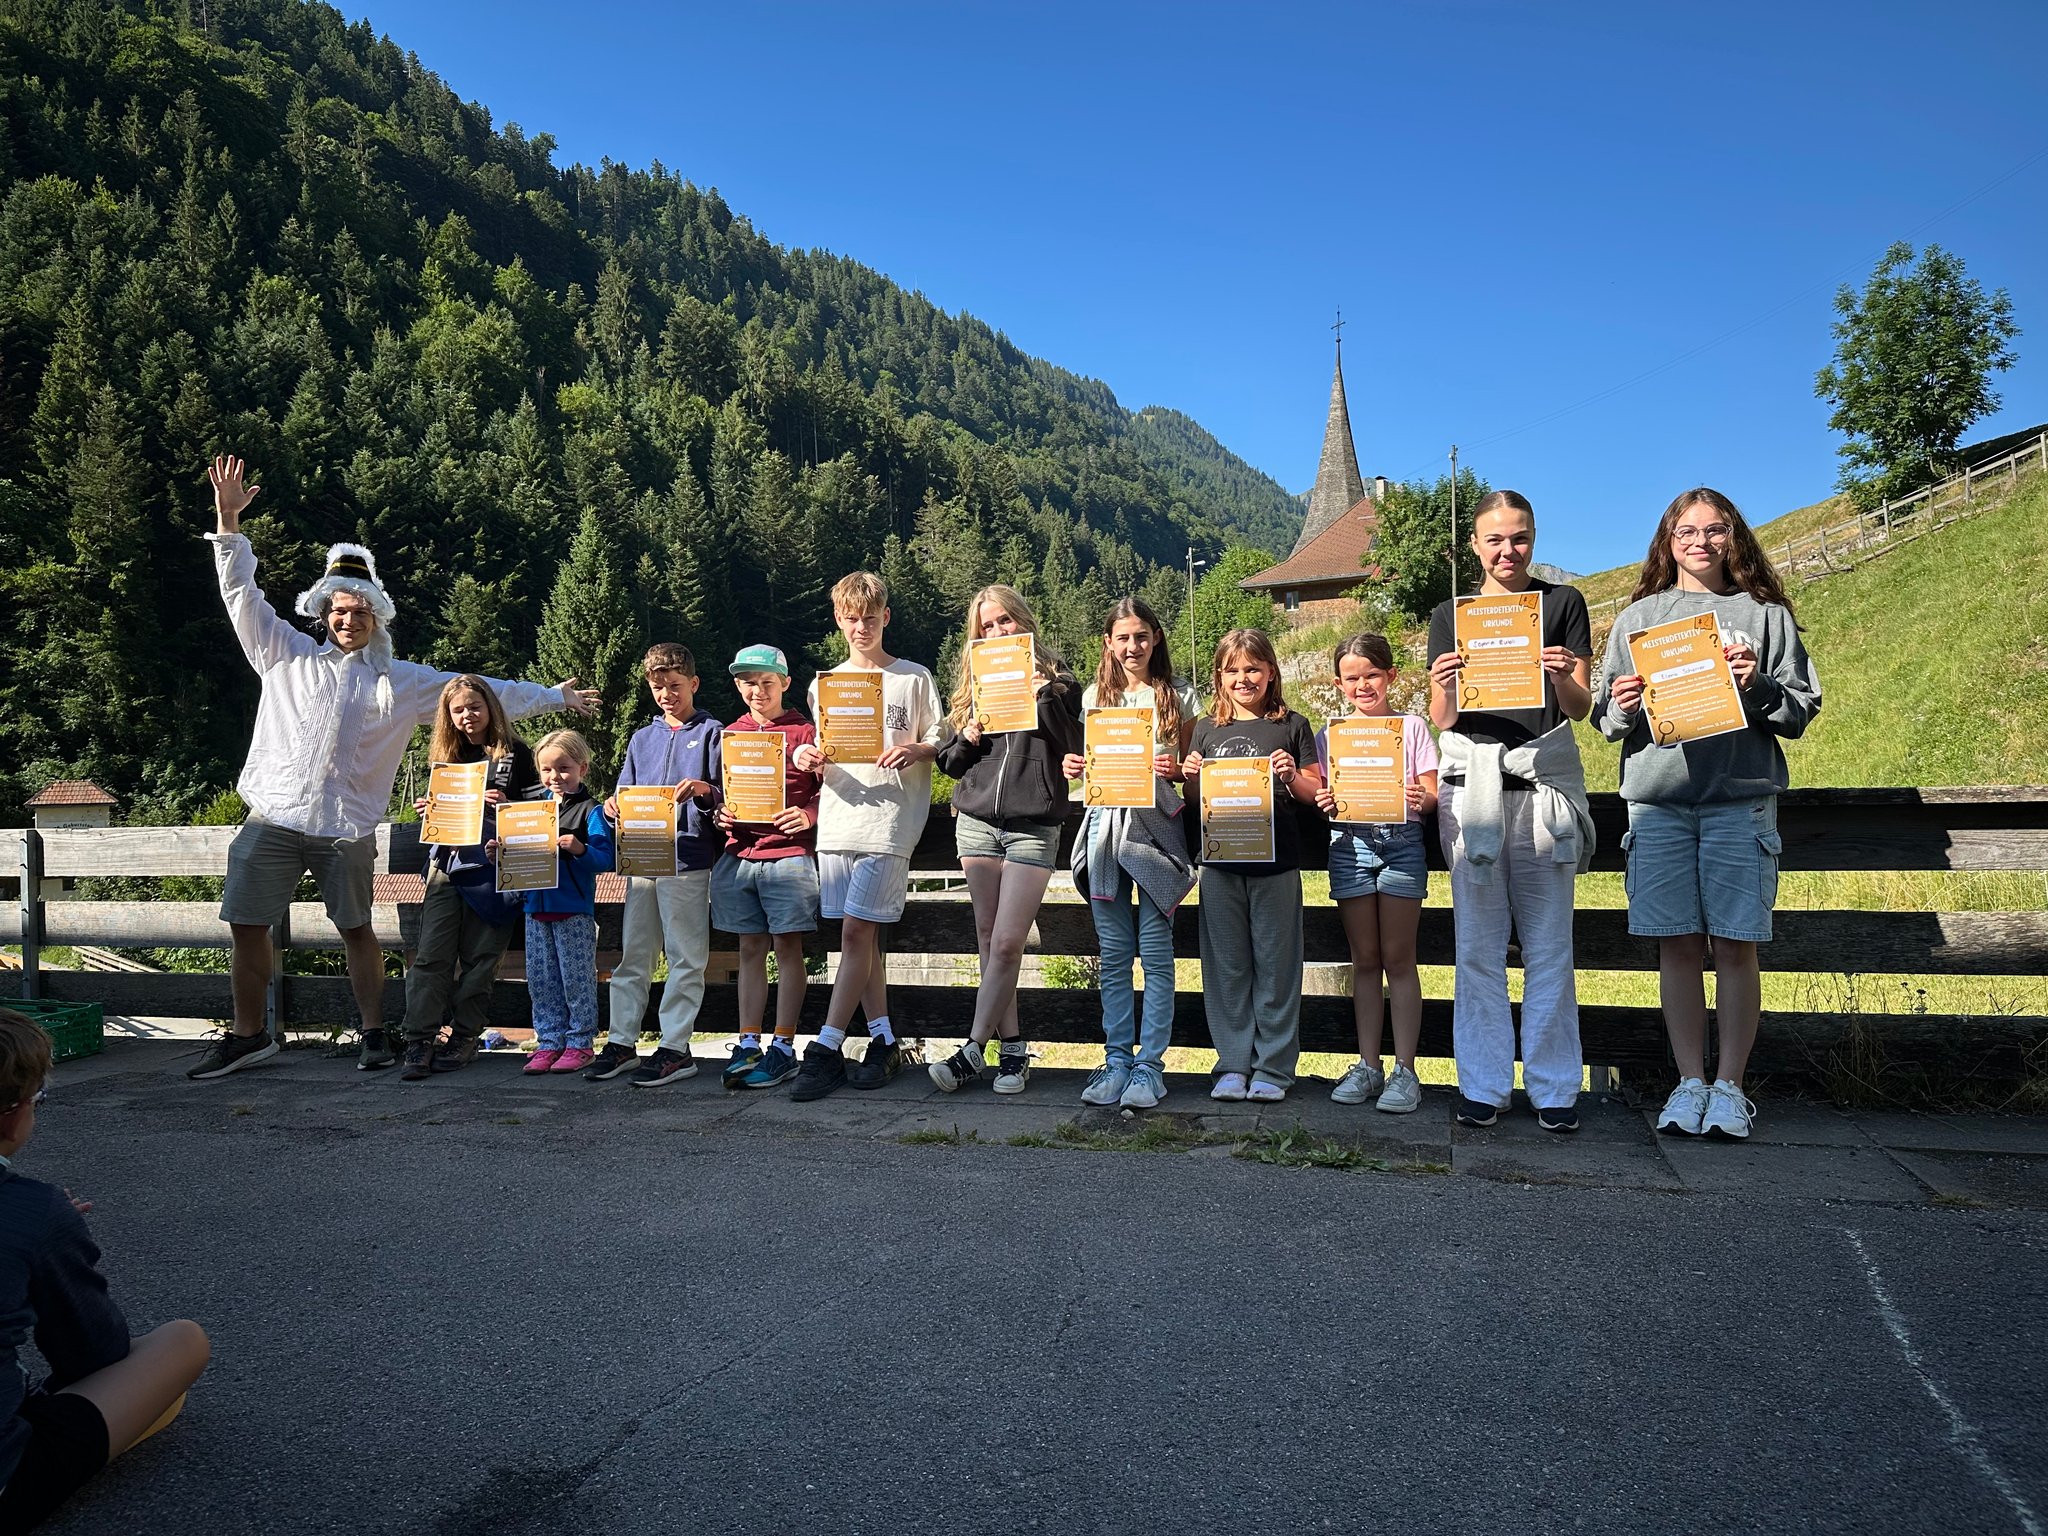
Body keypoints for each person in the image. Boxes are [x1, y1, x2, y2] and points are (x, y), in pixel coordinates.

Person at [191, 455, 596, 1082]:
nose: (347, 620)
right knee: (247, 925)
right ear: (322, 613)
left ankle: (374, 1034)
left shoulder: (399, 681)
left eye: (359, 611)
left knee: (356, 928)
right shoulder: (283, 653)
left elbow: (478, 691)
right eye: (338, 610)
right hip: (272, 816)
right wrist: (229, 524)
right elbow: (241, 595)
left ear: (376, 618)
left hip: (346, 829)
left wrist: (552, 697)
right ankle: (249, 1036)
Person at [1594, 488, 1820, 1141]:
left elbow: (1801, 710)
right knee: (1678, 945)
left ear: (1733, 538)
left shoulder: (1765, 616)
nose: (1701, 541)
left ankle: (1730, 1088)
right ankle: (1689, 1081)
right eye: (1687, 531)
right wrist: (1624, 703)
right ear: (1668, 542)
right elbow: (1604, 721)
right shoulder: (1638, 619)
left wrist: (1760, 685)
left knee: (1736, 946)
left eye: (1714, 529)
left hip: (1739, 801)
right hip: (1659, 804)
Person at [0, 1009, 210, 1532]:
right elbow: (93, 1352)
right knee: (182, 1341)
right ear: (12, 1115)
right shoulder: (33, 1212)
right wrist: (52, 1233)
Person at [1426, 489, 1595, 1133]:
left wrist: (1560, 675)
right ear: (1474, 545)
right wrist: (1442, 686)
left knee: (1550, 947)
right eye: (1494, 539)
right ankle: (1484, 1084)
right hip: (1471, 792)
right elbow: (1444, 720)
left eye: (1518, 537)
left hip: (1541, 788)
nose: (1507, 550)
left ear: (1534, 538)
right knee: (1477, 946)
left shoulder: (1564, 604)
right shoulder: (1451, 614)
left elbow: (1579, 708)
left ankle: (1554, 1088)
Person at [787, 572, 945, 1101]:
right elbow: (821, 746)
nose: (861, 627)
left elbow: (939, 737)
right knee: (860, 939)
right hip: (838, 819)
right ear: (839, 620)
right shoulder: (824, 683)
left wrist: (916, 750)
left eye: (870, 617)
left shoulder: (913, 677)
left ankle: (826, 1046)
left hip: (889, 821)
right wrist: (805, 755)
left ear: (886, 617)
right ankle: (884, 1040)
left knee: (856, 934)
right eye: (852, 618)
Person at [926, 586, 1084, 1097]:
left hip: (1033, 825)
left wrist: (1044, 696)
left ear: (1023, 621)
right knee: (988, 938)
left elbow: (1075, 745)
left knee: (1010, 941)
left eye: (1004, 621)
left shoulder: (1061, 683)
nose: (997, 631)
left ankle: (972, 1048)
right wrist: (966, 736)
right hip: (976, 822)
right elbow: (951, 766)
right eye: (987, 625)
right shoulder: (973, 684)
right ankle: (1012, 1049)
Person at [1056, 597, 1199, 1110]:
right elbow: (1091, 762)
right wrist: (1074, 766)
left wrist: (1175, 768)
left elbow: (1189, 769)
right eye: (1123, 638)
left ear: (1156, 637)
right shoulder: (1095, 696)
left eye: (1141, 636)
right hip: (1104, 830)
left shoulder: (1180, 694)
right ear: (1108, 643)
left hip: (1157, 831)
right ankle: (1116, 1060)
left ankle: (1150, 1066)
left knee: (1157, 954)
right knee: (1114, 954)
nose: (1133, 646)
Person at [1181, 628, 1322, 1103]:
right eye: (1233, 670)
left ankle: (1274, 1068)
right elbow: (1194, 799)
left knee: (1278, 968)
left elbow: (1313, 792)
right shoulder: (1205, 728)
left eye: (1253, 669)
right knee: (1226, 968)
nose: (1243, 678)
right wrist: (1190, 776)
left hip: (1277, 865)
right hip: (1219, 864)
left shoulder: (1293, 725)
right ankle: (1233, 1064)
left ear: (1271, 672)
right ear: (1219, 677)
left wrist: (1292, 775)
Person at [584, 645, 723, 1088]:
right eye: (658, 687)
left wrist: (704, 791)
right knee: (633, 956)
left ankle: (676, 1048)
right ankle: (622, 1043)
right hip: (641, 859)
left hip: (688, 860)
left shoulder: (714, 733)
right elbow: (624, 794)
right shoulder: (641, 739)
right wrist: (612, 807)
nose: (667, 695)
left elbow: (729, 798)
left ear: (694, 684)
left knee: (685, 957)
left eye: (675, 686)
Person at [1312, 634, 1440, 1113]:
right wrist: (1324, 799)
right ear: (1338, 684)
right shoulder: (1330, 736)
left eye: (1371, 675)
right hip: (1350, 847)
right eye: (1352, 678)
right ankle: (1368, 1066)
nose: (1362, 685)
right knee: (1363, 960)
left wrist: (1422, 799)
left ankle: (1405, 1070)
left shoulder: (1413, 727)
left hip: (1402, 846)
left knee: (1399, 959)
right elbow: (1321, 791)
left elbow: (1432, 794)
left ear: (1391, 676)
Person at [398, 676, 538, 1080]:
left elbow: (542, 811)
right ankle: (419, 1040)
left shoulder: (517, 753)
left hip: (496, 866)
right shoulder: (447, 757)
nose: (467, 716)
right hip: (448, 864)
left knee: (482, 959)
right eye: (458, 710)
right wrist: (428, 810)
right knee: (431, 955)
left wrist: (508, 805)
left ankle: (464, 1037)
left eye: (474, 706)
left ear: (491, 706)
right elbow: (443, 813)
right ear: (448, 716)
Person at [710, 645, 823, 1091]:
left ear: (785, 683)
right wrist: (719, 812)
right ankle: (748, 1043)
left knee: (788, 948)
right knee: (749, 950)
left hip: (789, 856)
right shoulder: (730, 733)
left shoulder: (806, 731)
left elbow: (832, 788)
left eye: (766, 682)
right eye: (748, 682)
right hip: (739, 856)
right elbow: (721, 792)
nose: (757, 691)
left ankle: (784, 1046)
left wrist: (810, 815)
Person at [488, 731, 615, 1074]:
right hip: (534, 909)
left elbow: (605, 859)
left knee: (577, 980)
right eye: (546, 769)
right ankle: (549, 1042)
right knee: (541, 980)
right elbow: (517, 856)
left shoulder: (592, 811)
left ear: (582, 768)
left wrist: (580, 849)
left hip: (573, 910)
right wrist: (498, 855)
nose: (554, 776)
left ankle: (580, 1043)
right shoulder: (530, 811)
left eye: (564, 768)